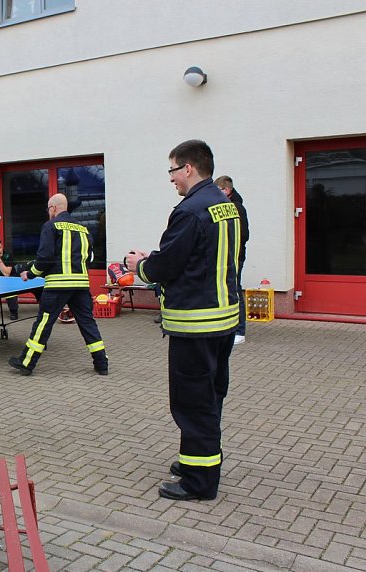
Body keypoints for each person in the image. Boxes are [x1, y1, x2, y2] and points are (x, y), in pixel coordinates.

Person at [125, 139, 241, 502]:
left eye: (172, 170)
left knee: (192, 402)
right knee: (210, 396)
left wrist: (139, 265)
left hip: (196, 324)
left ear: (188, 168)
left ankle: (199, 483)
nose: (171, 179)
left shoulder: (190, 210)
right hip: (222, 320)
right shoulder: (227, 206)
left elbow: (168, 265)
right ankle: (198, 463)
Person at [8, 192, 108, 376]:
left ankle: (27, 362)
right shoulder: (83, 229)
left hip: (57, 285)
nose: (48, 212)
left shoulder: (50, 226)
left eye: (48, 209)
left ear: (53, 208)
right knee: (88, 323)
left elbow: (44, 257)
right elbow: (90, 258)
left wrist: (30, 274)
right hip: (81, 285)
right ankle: (102, 363)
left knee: (43, 323)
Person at [215, 176, 250, 345]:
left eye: (218, 190)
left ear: (227, 190)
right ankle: (229, 327)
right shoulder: (225, 206)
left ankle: (240, 330)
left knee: (235, 289)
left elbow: (243, 235)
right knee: (229, 289)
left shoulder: (237, 208)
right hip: (226, 256)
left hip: (235, 256)